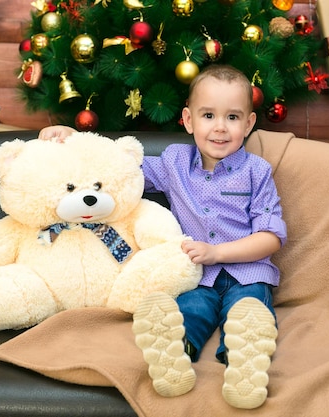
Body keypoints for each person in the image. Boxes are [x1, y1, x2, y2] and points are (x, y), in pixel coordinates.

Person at [38, 64, 287, 409]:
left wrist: (218, 253)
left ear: (248, 123)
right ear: (188, 119)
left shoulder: (257, 173)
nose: (219, 127)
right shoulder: (174, 162)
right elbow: (118, 169)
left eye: (232, 117)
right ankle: (174, 357)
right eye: (208, 115)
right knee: (187, 313)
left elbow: (271, 236)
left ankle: (243, 362)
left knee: (250, 312)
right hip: (195, 276)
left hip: (247, 272)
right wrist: (71, 139)